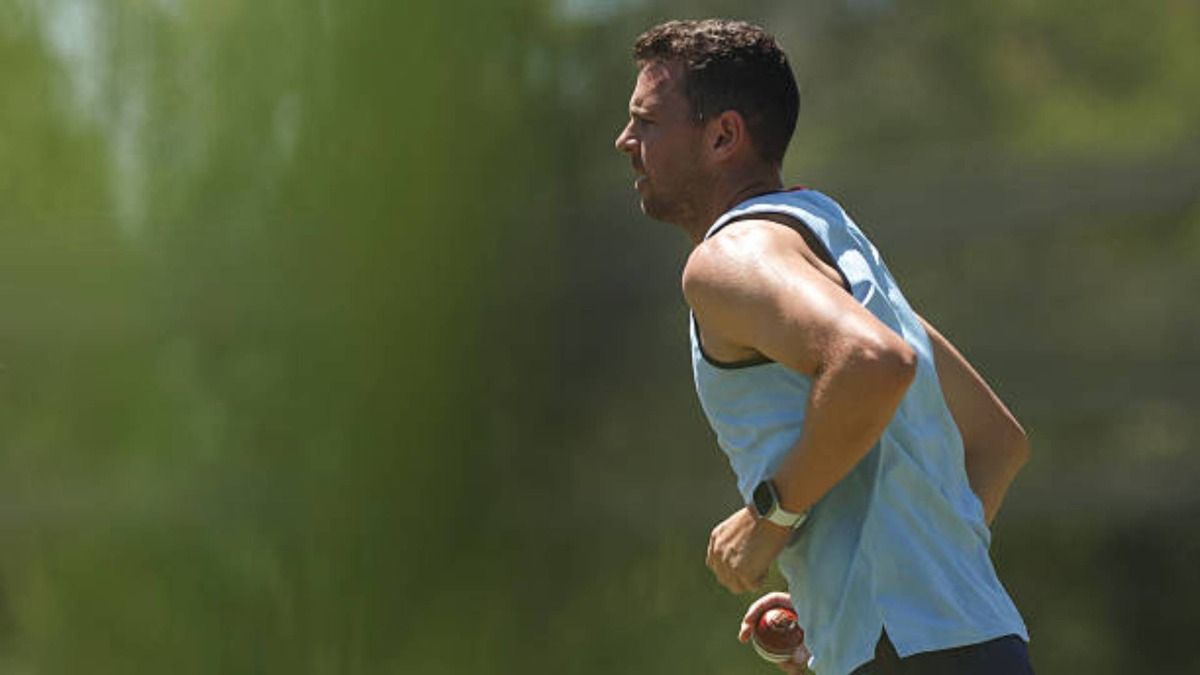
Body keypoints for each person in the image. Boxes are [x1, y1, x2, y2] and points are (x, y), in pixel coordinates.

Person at [614, 19, 1035, 675]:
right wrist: (847, 595)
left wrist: (768, 522)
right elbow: (998, 443)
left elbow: (871, 364)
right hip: (985, 640)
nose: (626, 141)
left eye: (646, 122)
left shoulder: (728, 256)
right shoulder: (839, 245)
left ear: (723, 135)